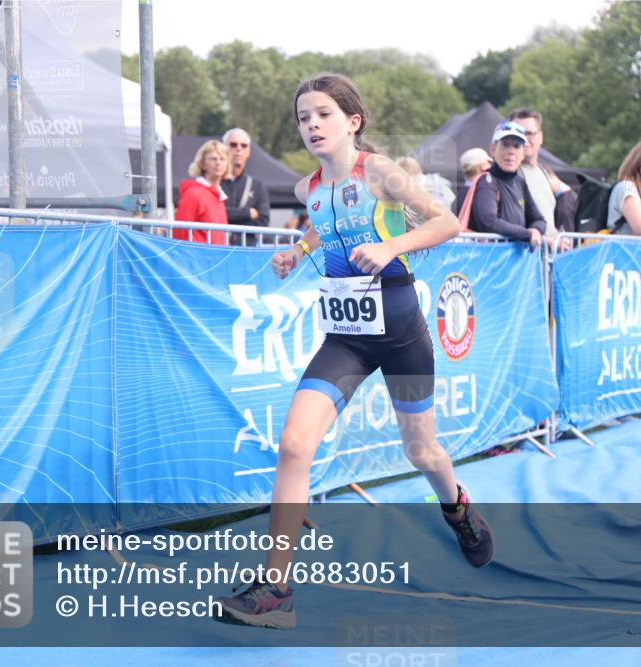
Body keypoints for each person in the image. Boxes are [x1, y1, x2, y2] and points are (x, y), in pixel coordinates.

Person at [215, 73, 494, 630]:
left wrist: (390, 246)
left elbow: (445, 223)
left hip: (401, 334)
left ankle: (457, 506)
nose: (311, 125)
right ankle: (276, 592)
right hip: (346, 339)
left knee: (422, 452)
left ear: (352, 122)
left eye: (322, 114)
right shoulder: (306, 190)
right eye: (302, 117)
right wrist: (296, 250)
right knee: (294, 444)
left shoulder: (382, 173)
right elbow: (324, 226)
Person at [467, 121, 546, 245]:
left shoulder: (520, 182)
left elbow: (539, 220)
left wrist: (536, 230)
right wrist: (527, 234)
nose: (511, 152)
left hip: (516, 262)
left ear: (523, 153)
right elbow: (489, 222)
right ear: (493, 148)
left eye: (516, 146)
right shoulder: (487, 181)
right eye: (505, 145)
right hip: (490, 260)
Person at [508, 108, 577, 237]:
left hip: (549, 254)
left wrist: (557, 238)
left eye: (529, 133)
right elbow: (511, 222)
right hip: (526, 253)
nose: (524, 138)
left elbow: (548, 222)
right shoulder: (508, 174)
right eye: (518, 132)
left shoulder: (544, 173)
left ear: (540, 137)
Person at [220, 128, 271, 245]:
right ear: (224, 149)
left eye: (244, 146)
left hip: (246, 251)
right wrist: (248, 213)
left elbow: (263, 222)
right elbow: (212, 215)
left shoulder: (257, 186)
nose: (238, 149)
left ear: (248, 152)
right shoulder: (214, 183)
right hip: (218, 249)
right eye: (233, 144)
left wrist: (228, 218)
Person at [173, 140, 229, 244]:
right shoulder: (193, 194)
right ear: (203, 164)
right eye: (213, 159)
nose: (218, 163)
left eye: (222, 159)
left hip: (217, 257)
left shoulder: (219, 195)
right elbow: (181, 233)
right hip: (198, 258)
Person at [453, 147, 491, 215]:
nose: (490, 166)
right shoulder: (485, 195)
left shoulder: (457, 199)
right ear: (483, 166)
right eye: (489, 162)